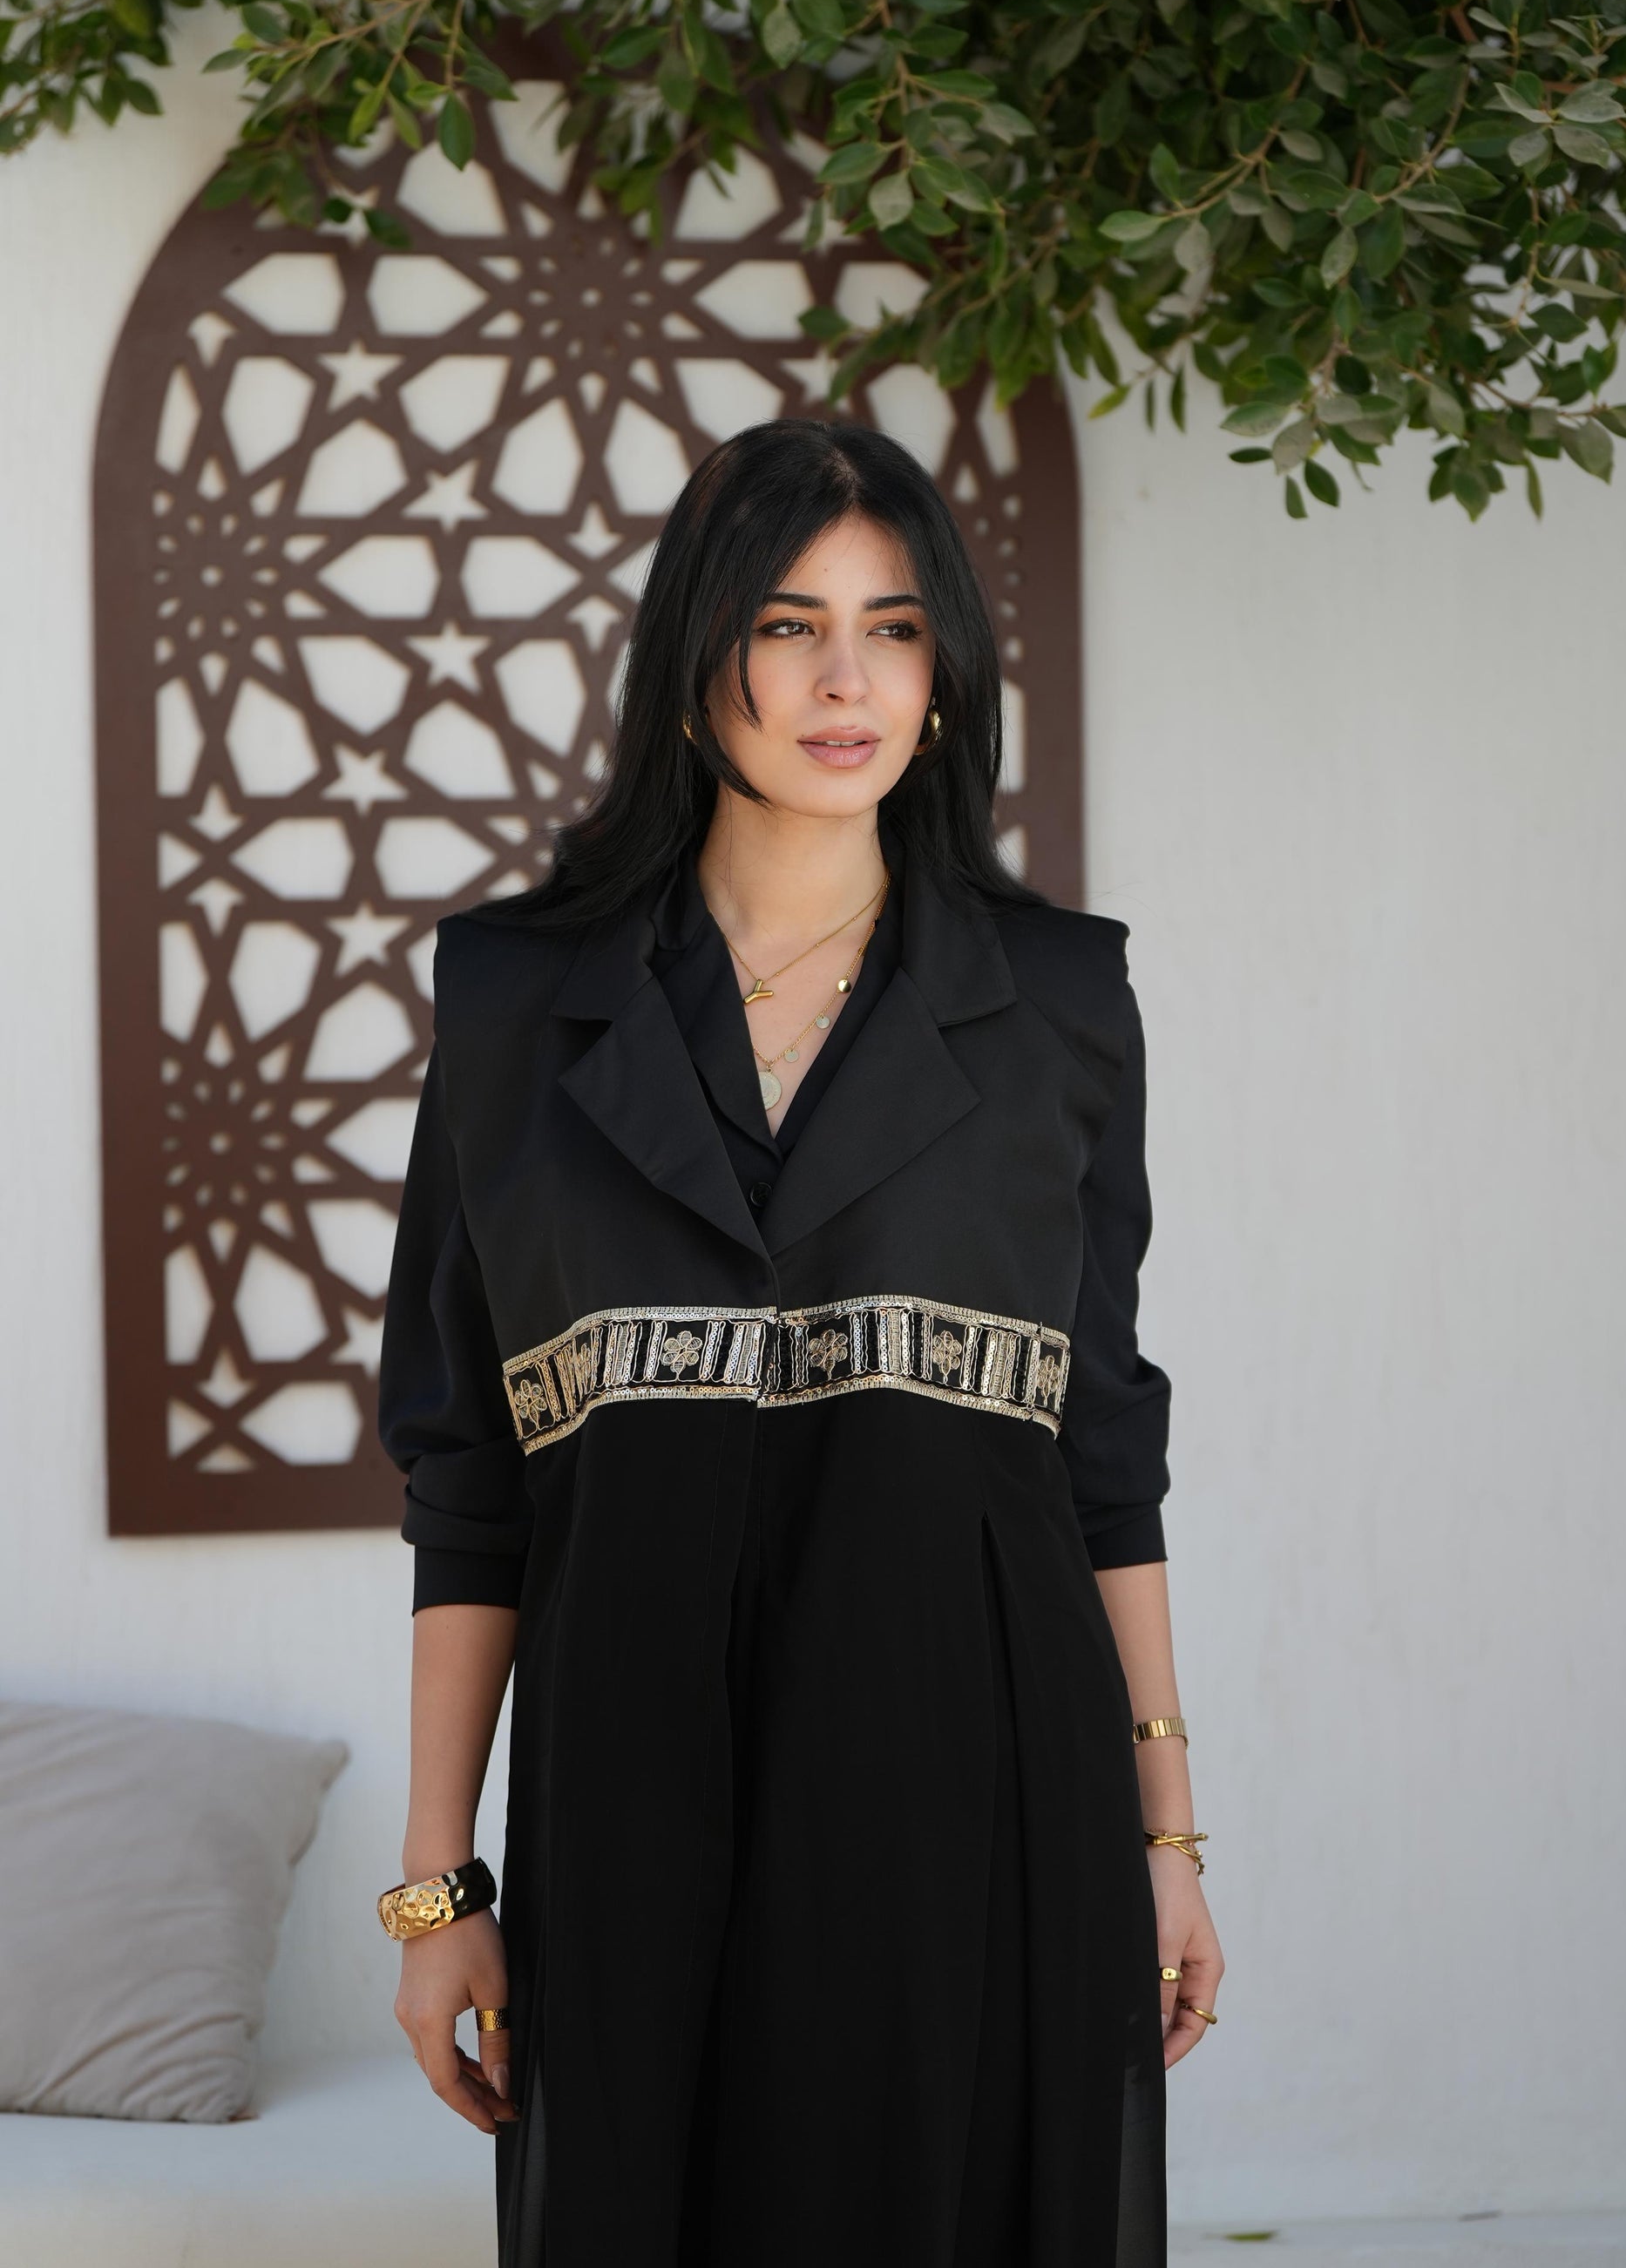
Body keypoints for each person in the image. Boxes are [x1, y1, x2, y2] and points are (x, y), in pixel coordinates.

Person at [376, 416, 1223, 2268]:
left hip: (976, 1785)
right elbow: (469, 1478)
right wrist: (438, 1888)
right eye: (787, 625)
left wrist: (1167, 1840)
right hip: (630, 1793)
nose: (848, 680)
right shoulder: (517, 1002)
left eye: (894, 629)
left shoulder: (1057, 1001)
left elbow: (1102, 1446)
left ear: (944, 675)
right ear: (695, 665)